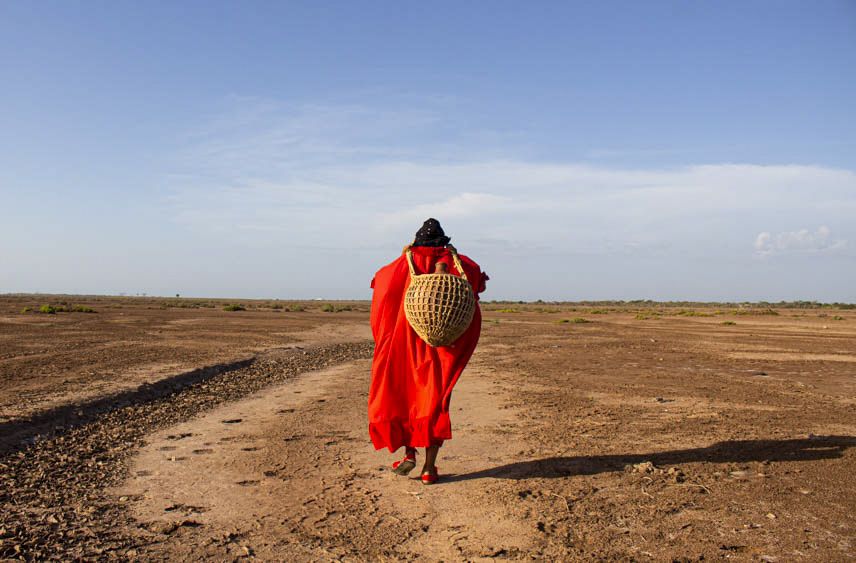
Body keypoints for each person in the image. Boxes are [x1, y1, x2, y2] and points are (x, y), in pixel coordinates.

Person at [368, 218, 488, 484]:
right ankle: (429, 469)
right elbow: (476, 281)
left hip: (404, 344)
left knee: (403, 397)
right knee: (435, 401)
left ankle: (409, 452)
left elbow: (382, 291)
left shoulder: (400, 265)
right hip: (444, 347)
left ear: (417, 240)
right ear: (444, 241)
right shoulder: (459, 262)